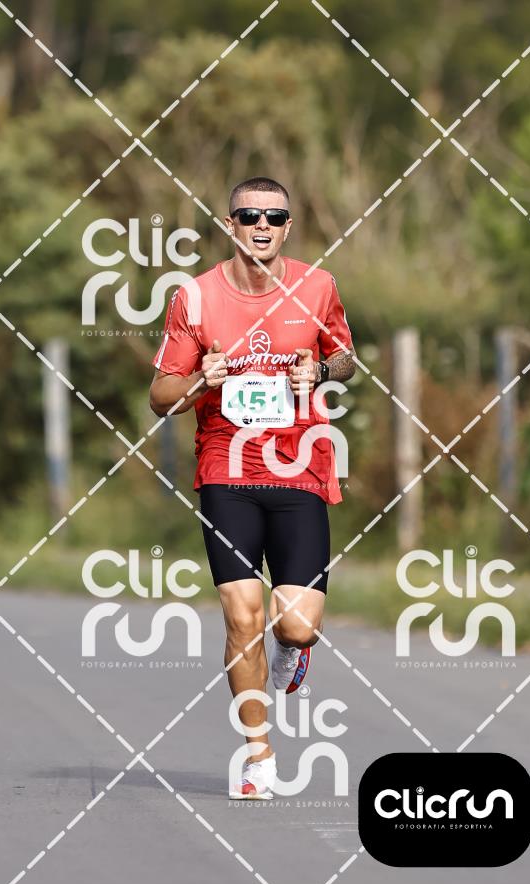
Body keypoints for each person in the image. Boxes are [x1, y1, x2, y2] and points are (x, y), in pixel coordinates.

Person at [149, 176, 355, 799]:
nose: (261, 225)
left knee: (295, 626)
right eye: (249, 215)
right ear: (230, 224)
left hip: (299, 464)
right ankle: (258, 755)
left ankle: (293, 647)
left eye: (274, 216)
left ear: (288, 227)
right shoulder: (195, 297)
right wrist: (201, 380)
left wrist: (320, 369)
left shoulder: (318, 286)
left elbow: (346, 359)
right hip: (226, 467)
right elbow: (160, 397)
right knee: (243, 616)